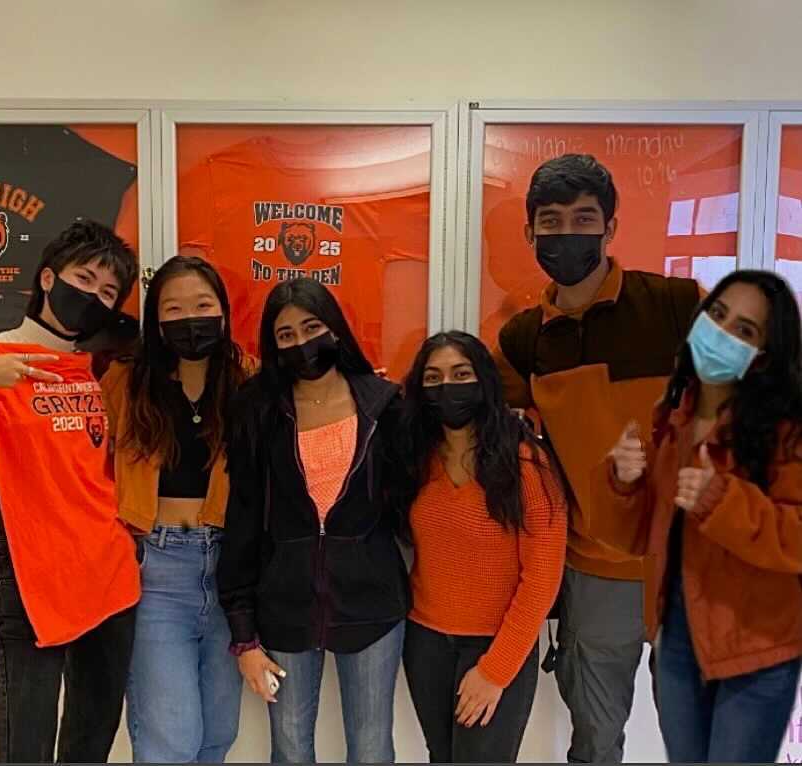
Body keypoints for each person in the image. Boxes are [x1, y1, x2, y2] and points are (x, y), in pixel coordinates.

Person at [496, 153, 703, 763]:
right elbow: (480, 422)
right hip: (594, 571)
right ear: (530, 232)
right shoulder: (522, 340)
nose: (567, 235)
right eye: (551, 221)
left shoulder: (677, 304)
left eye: (584, 218)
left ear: (611, 228)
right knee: (595, 741)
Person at [593, 270, 802, 763]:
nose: (722, 333)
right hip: (679, 642)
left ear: (764, 356)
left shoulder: (787, 431)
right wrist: (624, 482)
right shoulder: (674, 415)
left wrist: (722, 502)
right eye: (718, 315)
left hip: (758, 649)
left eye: (745, 331)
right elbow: (640, 536)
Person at [218, 277, 409, 764]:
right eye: (285, 336)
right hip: (282, 610)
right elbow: (242, 520)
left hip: (373, 607)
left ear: (336, 329)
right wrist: (243, 634)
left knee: (371, 750)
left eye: (312, 326)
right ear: (272, 346)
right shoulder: (258, 411)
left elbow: (415, 497)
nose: (302, 343)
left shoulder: (383, 405)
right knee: (290, 749)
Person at [0, 220, 141, 763]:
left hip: (110, 579)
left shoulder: (103, 368)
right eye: (83, 277)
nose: (92, 295)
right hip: (31, 582)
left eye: (108, 290)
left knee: (90, 742)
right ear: (48, 277)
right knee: (26, 745)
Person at [101, 256, 251, 762]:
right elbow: (91, 465)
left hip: (229, 569)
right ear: (156, 319)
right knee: (172, 738)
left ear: (224, 312)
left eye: (203, 305)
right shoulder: (126, 381)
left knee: (217, 734)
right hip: (155, 569)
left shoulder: (247, 379)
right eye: (174, 308)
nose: (191, 318)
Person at [395, 331, 567, 763]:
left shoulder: (526, 463)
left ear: (483, 382)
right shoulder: (417, 459)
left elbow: (542, 577)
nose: (446, 387)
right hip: (426, 643)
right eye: (433, 378)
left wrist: (495, 671)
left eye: (460, 374)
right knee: (442, 756)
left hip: (494, 645)